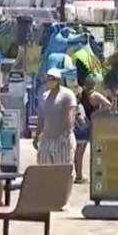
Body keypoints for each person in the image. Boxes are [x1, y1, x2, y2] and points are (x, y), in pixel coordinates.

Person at [34, 68, 77, 210]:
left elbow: (70, 114)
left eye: (51, 78)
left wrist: (67, 131)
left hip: (62, 138)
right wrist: (36, 136)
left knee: (65, 171)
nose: (48, 81)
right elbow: (41, 118)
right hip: (47, 137)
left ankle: (64, 200)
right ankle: (49, 198)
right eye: (47, 78)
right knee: (45, 169)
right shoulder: (44, 96)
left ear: (57, 80)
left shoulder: (67, 95)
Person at [74, 76, 111, 183]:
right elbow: (108, 105)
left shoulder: (80, 94)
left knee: (79, 152)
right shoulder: (94, 95)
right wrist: (99, 114)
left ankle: (79, 175)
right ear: (94, 84)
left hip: (80, 124)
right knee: (97, 151)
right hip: (93, 124)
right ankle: (96, 174)